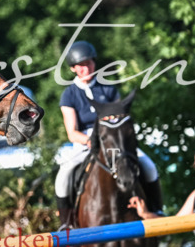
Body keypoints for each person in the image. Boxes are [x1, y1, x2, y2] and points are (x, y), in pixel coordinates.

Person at [55, 40, 162, 226]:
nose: (86, 68)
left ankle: (157, 208)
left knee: (149, 165)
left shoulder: (109, 89)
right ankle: (66, 222)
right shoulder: (69, 94)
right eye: (81, 65)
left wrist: (109, 140)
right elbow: (72, 132)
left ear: (94, 63)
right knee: (63, 174)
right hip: (85, 142)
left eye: (88, 63)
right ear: (73, 68)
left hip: (113, 139)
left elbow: (120, 120)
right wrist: (92, 141)